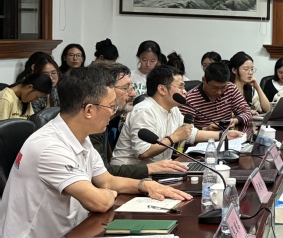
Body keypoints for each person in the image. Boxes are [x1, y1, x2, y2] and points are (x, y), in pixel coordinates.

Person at [0, 66, 192, 238]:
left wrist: (145, 185)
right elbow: (98, 202)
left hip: (69, 237)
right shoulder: (50, 147)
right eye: (111, 106)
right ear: (89, 110)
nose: (113, 112)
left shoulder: (80, 137)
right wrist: (109, 193)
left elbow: (107, 181)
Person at [113, 65, 242, 167]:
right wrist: (175, 137)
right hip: (128, 174)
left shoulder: (173, 109)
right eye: (180, 87)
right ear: (162, 89)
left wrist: (223, 135)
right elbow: (143, 152)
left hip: (158, 170)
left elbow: (191, 133)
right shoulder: (144, 110)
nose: (185, 92)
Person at [91, 61, 188, 178]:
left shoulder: (104, 121)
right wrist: (149, 171)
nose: (134, 93)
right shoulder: (91, 126)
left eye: (132, 87)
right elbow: (100, 175)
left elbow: (102, 173)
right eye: (126, 88)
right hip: (123, 177)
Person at [179, 61, 252, 133]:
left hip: (227, 136)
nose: (219, 92)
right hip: (203, 138)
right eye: (214, 88)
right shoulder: (190, 99)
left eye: (223, 88)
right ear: (204, 80)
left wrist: (234, 121)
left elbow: (247, 112)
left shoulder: (230, 89)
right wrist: (205, 129)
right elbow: (184, 129)